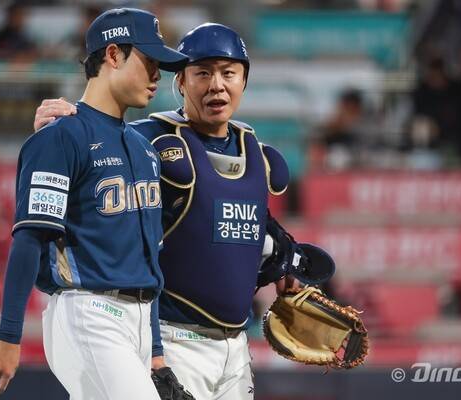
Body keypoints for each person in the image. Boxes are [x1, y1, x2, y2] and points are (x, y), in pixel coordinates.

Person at [35, 23, 302, 400]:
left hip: (237, 348)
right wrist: (63, 123)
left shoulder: (255, 152)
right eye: (202, 73)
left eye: (228, 73)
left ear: (244, 80)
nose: (217, 85)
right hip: (172, 340)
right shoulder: (147, 139)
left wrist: (286, 264)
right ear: (180, 82)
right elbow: (95, 138)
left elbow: (243, 222)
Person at [0, 8, 187, 399]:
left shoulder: (144, 149)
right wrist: (8, 334)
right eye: (149, 61)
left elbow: (147, 261)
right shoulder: (59, 136)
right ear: (113, 55)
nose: (157, 75)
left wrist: (156, 349)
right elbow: (30, 238)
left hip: (139, 319)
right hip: (90, 312)